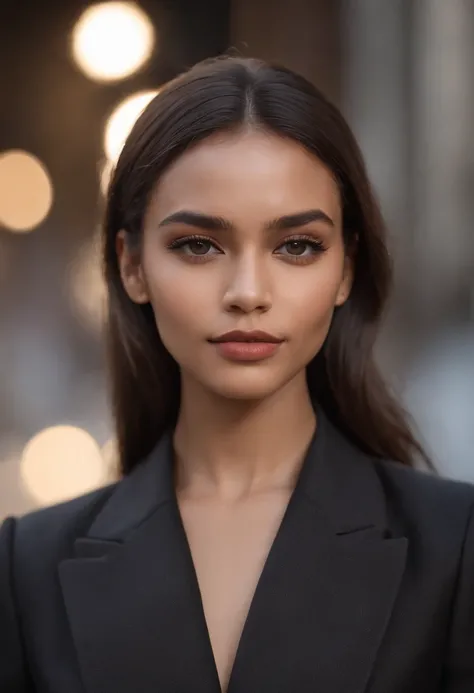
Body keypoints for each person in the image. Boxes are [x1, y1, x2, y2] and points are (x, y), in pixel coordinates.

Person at [1, 55, 473, 693]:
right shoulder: (27, 568)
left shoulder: (454, 548)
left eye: (297, 246)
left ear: (347, 270)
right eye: (198, 245)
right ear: (132, 265)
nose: (248, 292)